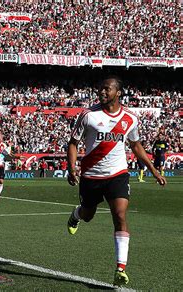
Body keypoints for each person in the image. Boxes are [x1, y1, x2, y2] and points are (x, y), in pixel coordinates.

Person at [66, 76, 166, 286]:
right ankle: (76, 214)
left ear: (118, 92)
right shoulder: (88, 115)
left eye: (107, 89)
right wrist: (71, 167)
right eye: (100, 89)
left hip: (117, 174)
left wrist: (154, 170)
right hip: (91, 175)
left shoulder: (130, 119)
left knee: (120, 215)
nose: (102, 92)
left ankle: (120, 269)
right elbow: (73, 143)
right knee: (88, 215)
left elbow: (136, 146)